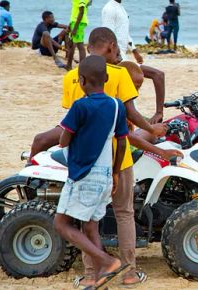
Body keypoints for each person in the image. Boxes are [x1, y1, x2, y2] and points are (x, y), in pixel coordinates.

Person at [31, 28, 177, 288]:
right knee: (124, 213)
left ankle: (91, 274)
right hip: (117, 162)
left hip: (82, 162)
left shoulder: (72, 78)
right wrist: (153, 130)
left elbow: (69, 128)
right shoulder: (119, 75)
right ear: (110, 46)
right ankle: (129, 272)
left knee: (86, 219)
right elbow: (129, 116)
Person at [52, 55, 131, 289]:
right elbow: (123, 142)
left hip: (83, 174)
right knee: (90, 226)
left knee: (61, 224)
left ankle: (107, 261)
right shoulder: (117, 106)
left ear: (82, 80)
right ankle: (99, 280)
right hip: (106, 174)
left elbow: (63, 139)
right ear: (106, 79)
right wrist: (116, 173)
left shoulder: (80, 106)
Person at [102, 0, 167, 123]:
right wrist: (116, 57)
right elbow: (108, 34)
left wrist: (135, 50)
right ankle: (156, 116)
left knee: (154, 78)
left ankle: (155, 116)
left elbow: (124, 32)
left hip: (124, 54)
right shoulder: (109, 9)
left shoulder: (121, 8)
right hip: (117, 58)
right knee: (157, 75)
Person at [65, 0, 90, 70]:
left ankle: (82, 68)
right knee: (72, 44)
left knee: (79, 45)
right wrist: (70, 24)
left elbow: (81, 11)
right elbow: (75, 11)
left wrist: (75, 27)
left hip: (78, 23)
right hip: (75, 22)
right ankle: (68, 65)